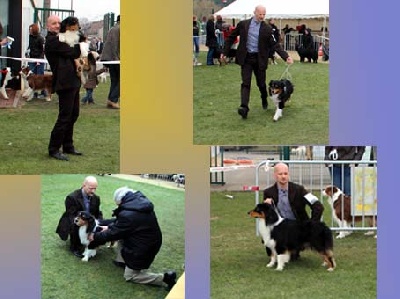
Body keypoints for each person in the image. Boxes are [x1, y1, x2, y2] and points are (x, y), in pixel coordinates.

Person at [88, 187, 177, 291]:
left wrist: (95, 236)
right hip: (148, 240)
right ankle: (122, 261)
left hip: (143, 247)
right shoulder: (137, 203)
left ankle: (165, 278)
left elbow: (115, 232)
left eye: (118, 204)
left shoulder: (129, 214)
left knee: (131, 276)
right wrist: (109, 226)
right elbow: (123, 224)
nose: (118, 206)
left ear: (121, 201)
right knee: (122, 234)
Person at [221, 5, 293, 119]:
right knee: (246, 83)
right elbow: (230, 38)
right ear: (254, 12)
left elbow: (275, 45)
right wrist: (224, 52)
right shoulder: (243, 24)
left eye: (264, 14)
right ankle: (244, 108)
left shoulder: (267, 29)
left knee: (261, 84)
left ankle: (264, 97)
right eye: (260, 14)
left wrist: (286, 56)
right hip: (246, 59)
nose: (262, 16)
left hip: (260, 60)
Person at [263, 162, 324, 260]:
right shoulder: (268, 192)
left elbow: (318, 206)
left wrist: (312, 224)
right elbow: (267, 217)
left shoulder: (299, 190)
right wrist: (266, 205)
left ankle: (295, 248)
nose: (283, 176)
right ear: (275, 175)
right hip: (279, 229)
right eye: (280, 174)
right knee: (275, 254)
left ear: (288, 174)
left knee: (292, 258)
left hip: (297, 229)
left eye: (285, 174)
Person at [44, 15, 83, 161]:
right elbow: (74, 52)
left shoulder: (62, 38)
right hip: (64, 83)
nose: (57, 25)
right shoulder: (53, 41)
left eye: (59, 23)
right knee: (65, 117)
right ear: (48, 26)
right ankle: (54, 148)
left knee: (73, 114)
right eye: (54, 23)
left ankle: (68, 145)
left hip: (73, 81)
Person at [56, 176, 103, 258]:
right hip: (74, 218)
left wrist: (100, 222)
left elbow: (97, 212)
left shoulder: (96, 198)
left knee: (98, 226)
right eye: (91, 188)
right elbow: (71, 214)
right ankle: (74, 247)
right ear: (84, 185)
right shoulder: (71, 197)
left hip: (88, 219)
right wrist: (82, 222)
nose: (93, 191)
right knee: (75, 224)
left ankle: (92, 244)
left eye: (95, 188)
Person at [101, 15, 120, 109]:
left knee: (115, 80)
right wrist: (117, 58)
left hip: (110, 58)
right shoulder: (119, 29)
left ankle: (110, 100)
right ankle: (113, 100)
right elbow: (115, 44)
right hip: (115, 58)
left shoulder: (113, 28)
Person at [27, 23, 46, 98]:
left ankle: (43, 92)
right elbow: (30, 46)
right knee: (32, 76)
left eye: (30, 29)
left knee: (40, 76)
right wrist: (27, 52)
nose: (29, 31)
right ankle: (34, 92)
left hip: (39, 60)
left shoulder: (40, 38)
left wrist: (40, 60)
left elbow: (43, 50)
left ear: (34, 30)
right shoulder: (30, 37)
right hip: (31, 58)